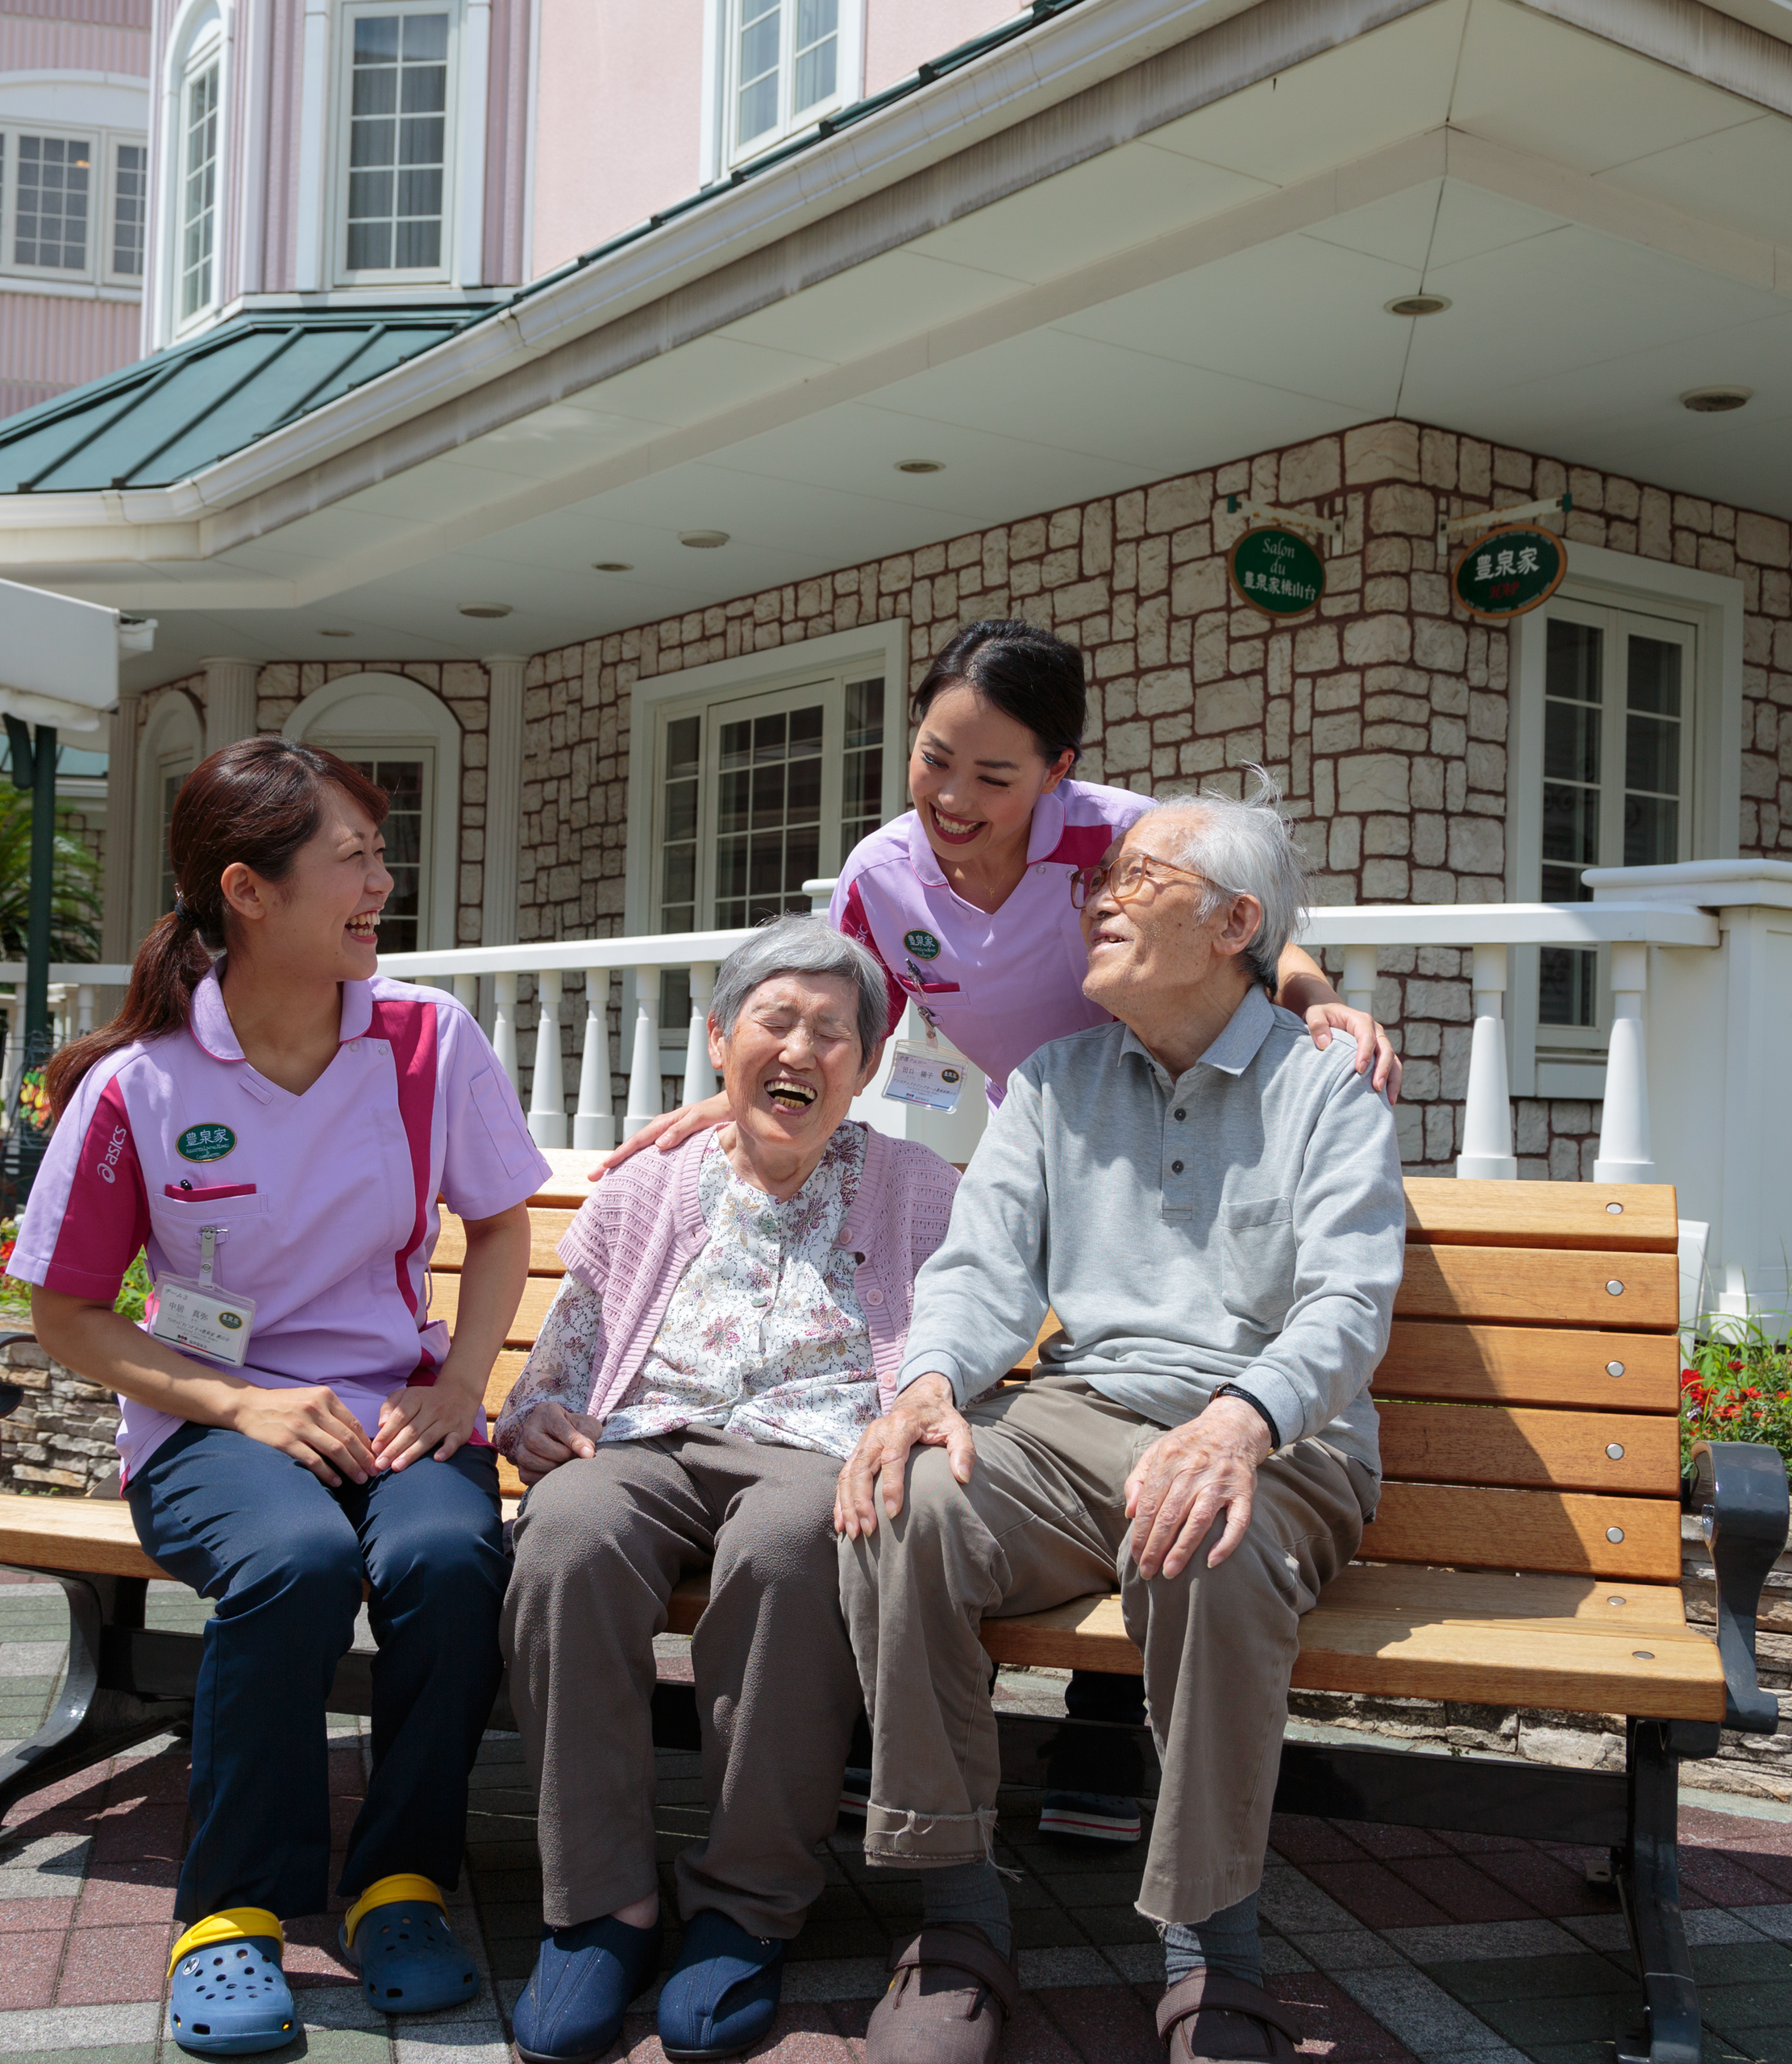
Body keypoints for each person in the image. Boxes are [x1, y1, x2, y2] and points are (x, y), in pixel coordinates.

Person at [607, 617, 1401, 1845]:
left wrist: (1317, 1006)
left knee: (1193, 1519)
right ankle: (945, 1878)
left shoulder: (1123, 847)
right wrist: (745, 1088)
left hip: (1211, 1233)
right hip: (1063, 1122)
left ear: (1059, 771)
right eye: (935, 759)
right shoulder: (893, 885)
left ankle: (1135, 1805)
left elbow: (1246, 919)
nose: (956, 797)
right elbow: (850, 1021)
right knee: (934, 1474)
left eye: (996, 774)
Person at [832, 776, 1405, 2064]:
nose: (1099, 897)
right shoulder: (1053, 1083)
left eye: (1139, 878)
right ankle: (957, 1915)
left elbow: (1350, 1301)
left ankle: (1214, 1950)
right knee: (901, 1499)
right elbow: (981, 1274)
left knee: (1207, 1535)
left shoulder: (1326, 1090)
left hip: (1278, 1438)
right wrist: (927, 1383)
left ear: (1232, 924)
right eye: (1105, 878)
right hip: (1080, 1420)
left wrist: (1242, 1421)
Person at [9, 738, 552, 2060]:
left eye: (381, 851)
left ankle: (403, 1881)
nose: (383, 880)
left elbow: (496, 1227)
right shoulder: (141, 1085)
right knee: (298, 1562)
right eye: (352, 857)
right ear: (247, 891)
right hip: (211, 1419)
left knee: (442, 1557)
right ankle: (231, 1913)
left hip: (393, 1401)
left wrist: (461, 1389)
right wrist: (242, 1409)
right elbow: (65, 1314)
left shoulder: (427, 1039)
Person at [491, 916, 960, 2064]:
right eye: (776, 1021)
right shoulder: (647, 1186)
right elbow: (563, 1360)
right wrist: (536, 1414)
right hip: (651, 1438)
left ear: (866, 1064)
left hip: (818, 1447)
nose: (802, 1051)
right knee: (566, 1532)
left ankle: (744, 1907)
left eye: (835, 1034)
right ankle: (600, 1905)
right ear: (718, 1041)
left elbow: (961, 1343)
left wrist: (913, 1423)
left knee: (798, 1541)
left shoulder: (914, 1184)